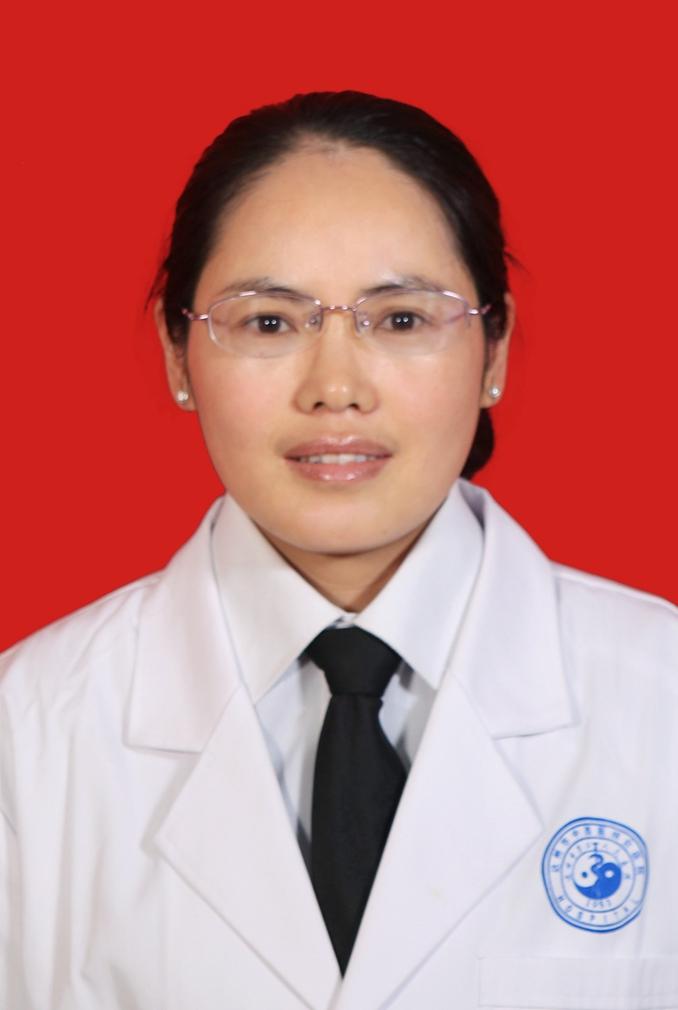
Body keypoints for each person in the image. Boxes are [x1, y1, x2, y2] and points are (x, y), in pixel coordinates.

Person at [1, 91, 677, 1010]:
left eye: (400, 319)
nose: (335, 386)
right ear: (176, 355)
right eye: (268, 322)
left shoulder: (661, 702)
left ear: (494, 353)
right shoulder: (26, 739)